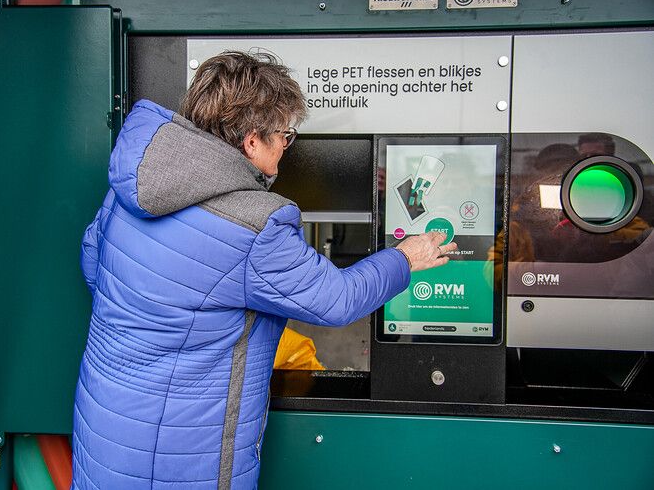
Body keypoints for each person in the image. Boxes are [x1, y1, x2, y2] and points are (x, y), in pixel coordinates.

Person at [71, 51, 456, 490]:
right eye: (285, 137)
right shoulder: (254, 225)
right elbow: (338, 299)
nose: (286, 150)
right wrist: (407, 257)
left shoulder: (135, 182)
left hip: (104, 431)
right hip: (179, 457)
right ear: (252, 141)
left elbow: (92, 263)